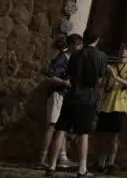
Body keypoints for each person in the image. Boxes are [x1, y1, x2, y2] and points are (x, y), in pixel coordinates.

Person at [44, 31, 108, 178]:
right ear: (97, 39)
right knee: (83, 134)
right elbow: (99, 80)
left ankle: (52, 166)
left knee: (60, 130)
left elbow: (69, 75)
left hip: (71, 96)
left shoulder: (75, 55)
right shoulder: (101, 56)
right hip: (87, 99)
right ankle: (82, 169)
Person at [94, 42, 127, 173]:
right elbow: (104, 85)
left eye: (126, 50)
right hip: (106, 104)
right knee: (102, 135)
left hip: (119, 105)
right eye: (121, 49)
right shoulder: (111, 66)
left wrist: (114, 76)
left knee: (114, 136)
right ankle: (101, 163)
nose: (123, 52)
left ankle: (111, 163)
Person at [38, 34, 80, 169]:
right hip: (57, 94)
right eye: (78, 45)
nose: (80, 48)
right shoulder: (62, 58)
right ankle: (42, 158)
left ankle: (62, 157)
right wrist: (64, 82)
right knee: (52, 126)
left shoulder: (72, 59)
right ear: (72, 45)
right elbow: (50, 76)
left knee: (62, 127)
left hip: (65, 95)